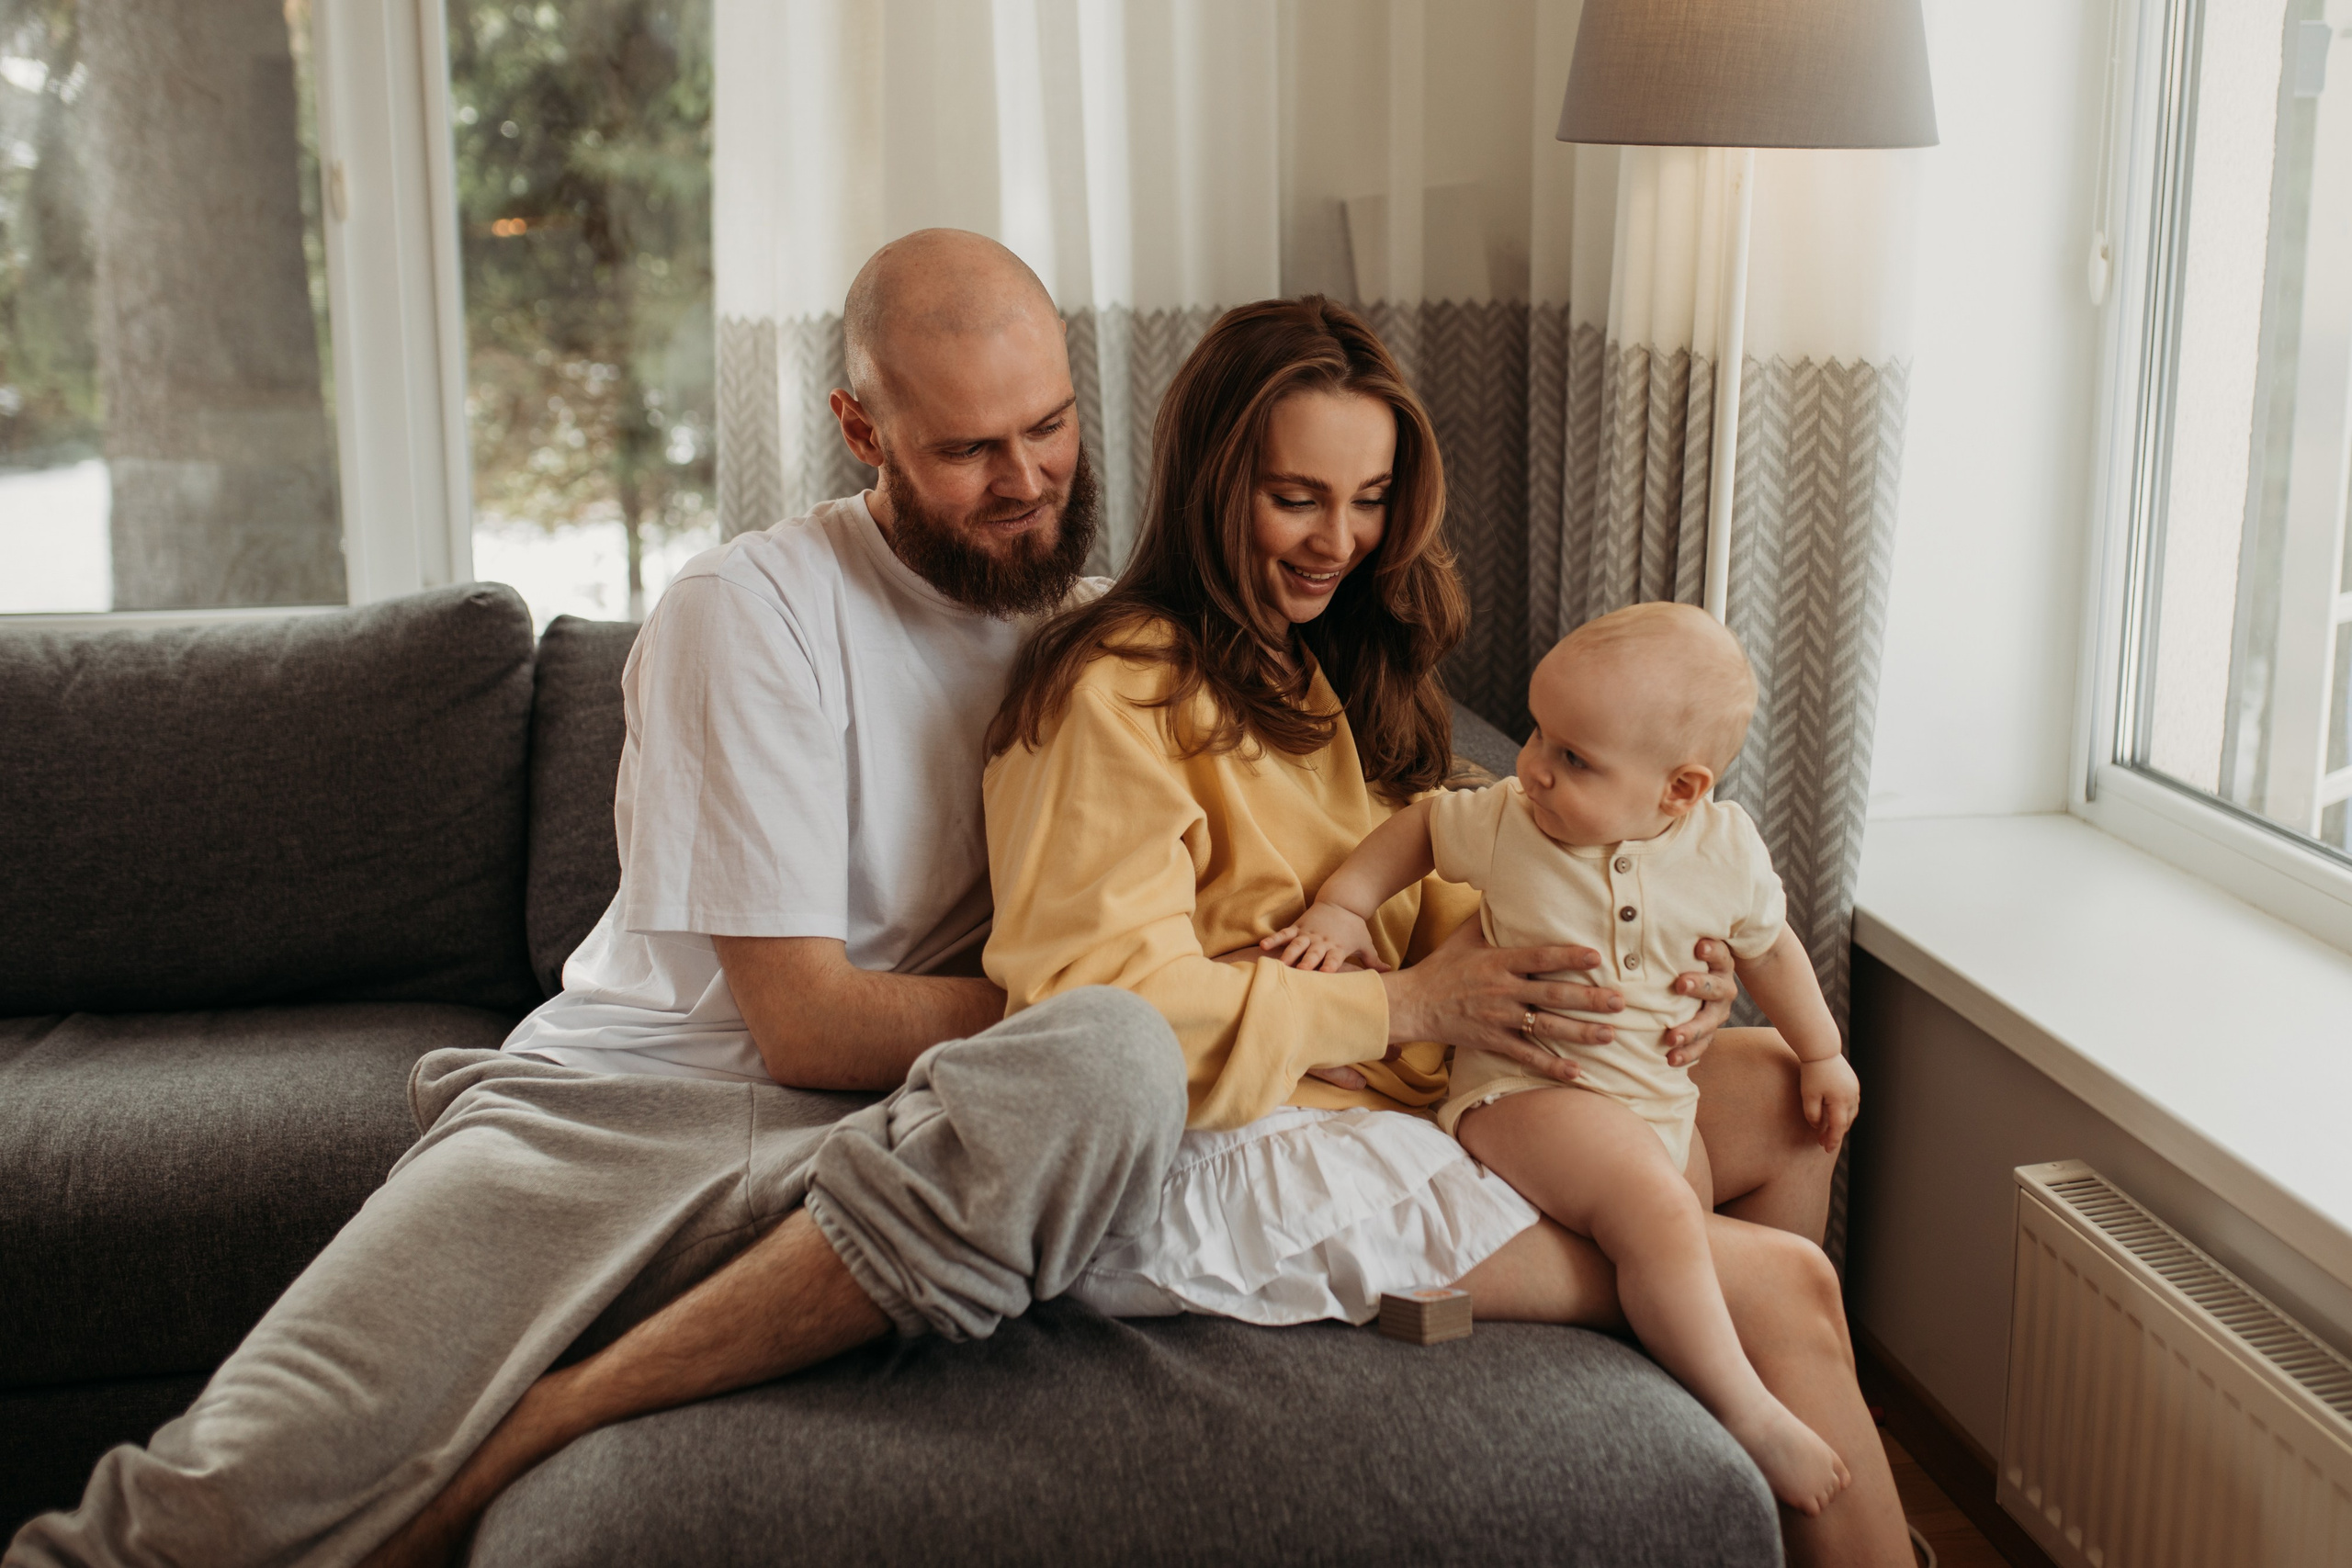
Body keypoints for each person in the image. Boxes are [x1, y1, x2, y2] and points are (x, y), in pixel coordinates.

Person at [0, 233, 1837, 1568]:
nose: (1024, 477)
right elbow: (798, 1020)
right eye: (968, 448)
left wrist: (1586, 972)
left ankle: (560, 1411)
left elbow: (1341, 865)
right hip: (651, 1094)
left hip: (953, 1117)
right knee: (229, 1492)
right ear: (858, 429)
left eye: (1045, 427)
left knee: (1108, 1059)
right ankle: (488, 1429)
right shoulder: (755, 610)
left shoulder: (1103, 627)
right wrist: (1234, 1008)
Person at [980, 295, 1912, 1563]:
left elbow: (1474, 886)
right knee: (1791, 1287)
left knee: (1785, 1092)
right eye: (1297, 496)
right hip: (1256, 1145)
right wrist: (1403, 1004)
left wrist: (1672, 975)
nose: (1339, 541)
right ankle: (1755, 1366)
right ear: (1209, 485)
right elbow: (1096, 1023)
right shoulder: (1116, 691)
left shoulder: (1317, 667)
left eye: (1367, 500)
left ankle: (1721, 1413)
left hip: (1418, 1093)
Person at [1260, 599, 1863, 1513]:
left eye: (1571, 757)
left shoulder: (1724, 849)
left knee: (1708, 1173)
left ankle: (1742, 1350)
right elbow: (1421, 828)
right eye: (1538, 735)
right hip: (1525, 1094)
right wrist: (1344, 907)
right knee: (1656, 1207)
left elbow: (1768, 949)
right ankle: (1745, 1407)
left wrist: (1822, 1052)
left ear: (1681, 791)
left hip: (1655, 1104)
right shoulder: (1512, 822)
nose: (1531, 769)